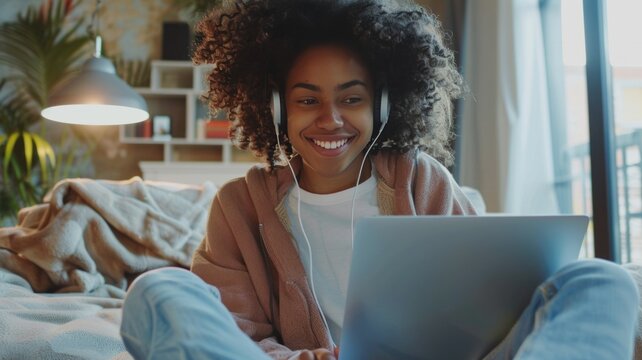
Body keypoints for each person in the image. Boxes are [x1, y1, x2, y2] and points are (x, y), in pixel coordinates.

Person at [119, 0, 640, 359]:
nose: (331, 119)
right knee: (159, 288)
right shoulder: (239, 207)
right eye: (307, 100)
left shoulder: (420, 180)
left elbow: (488, 304)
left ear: (383, 104)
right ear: (275, 107)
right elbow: (239, 334)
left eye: (352, 98)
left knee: (600, 278)